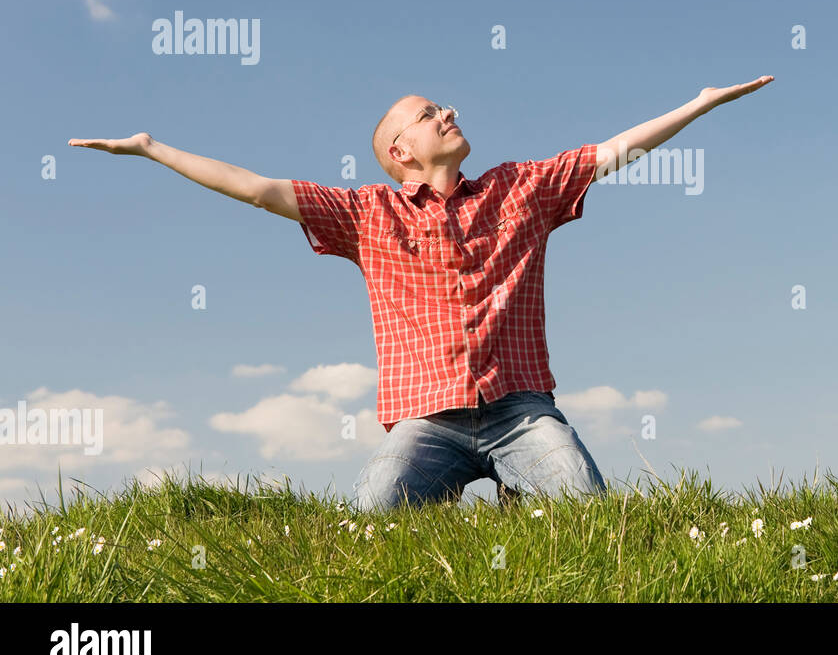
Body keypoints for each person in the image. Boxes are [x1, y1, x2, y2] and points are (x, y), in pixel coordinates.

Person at [68, 75, 774, 511]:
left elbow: (612, 151)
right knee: (375, 516)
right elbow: (255, 188)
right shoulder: (368, 215)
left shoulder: (519, 189)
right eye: (430, 111)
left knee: (587, 510)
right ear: (401, 151)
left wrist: (700, 104)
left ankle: (515, 495)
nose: (448, 112)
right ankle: (483, 499)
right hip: (425, 420)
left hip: (521, 411)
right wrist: (153, 147)